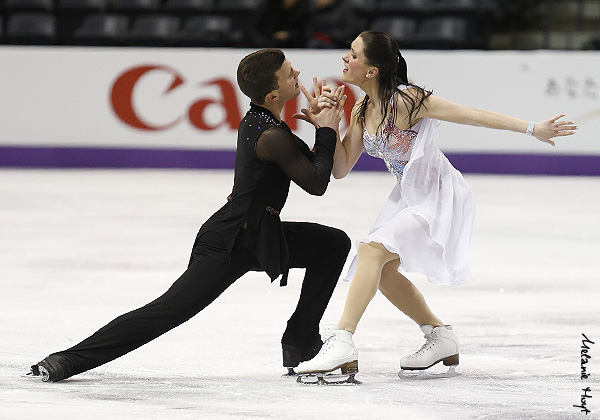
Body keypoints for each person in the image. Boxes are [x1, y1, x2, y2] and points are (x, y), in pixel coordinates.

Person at [28, 48, 351, 382]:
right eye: (288, 73)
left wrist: (321, 129)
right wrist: (326, 129)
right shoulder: (270, 134)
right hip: (228, 242)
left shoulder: (266, 122)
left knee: (333, 244)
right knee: (168, 312)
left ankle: (301, 342)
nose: (296, 72)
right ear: (272, 94)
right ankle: (66, 361)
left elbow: (309, 167)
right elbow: (315, 182)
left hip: (260, 233)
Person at [295, 30, 577, 378]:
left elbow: (471, 113)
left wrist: (533, 128)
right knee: (381, 272)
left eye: (353, 54)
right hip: (408, 198)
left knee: (371, 250)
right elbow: (339, 169)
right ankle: (439, 335)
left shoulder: (409, 100)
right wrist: (327, 126)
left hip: (440, 197)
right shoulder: (362, 109)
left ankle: (343, 340)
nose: (345, 58)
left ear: (372, 70)